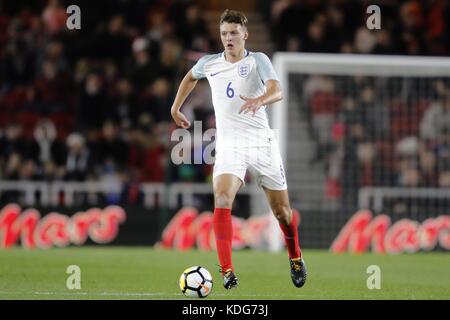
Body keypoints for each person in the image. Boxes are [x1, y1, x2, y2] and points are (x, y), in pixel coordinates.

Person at [170, 9, 306, 289]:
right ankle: (227, 270)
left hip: (260, 142)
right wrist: (175, 107)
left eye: (233, 33)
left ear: (245, 34)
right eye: (224, 34)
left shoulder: (258, 60)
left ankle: (295, 257)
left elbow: (277, 90)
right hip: (230, 144)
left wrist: (261, 100)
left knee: (283, 213)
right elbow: (190, 77)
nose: (228, 38)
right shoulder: (210, 63)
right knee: (221, 198)